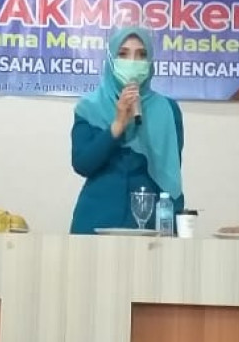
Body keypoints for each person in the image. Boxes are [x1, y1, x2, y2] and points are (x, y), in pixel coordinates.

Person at [70, 26, 185, 234]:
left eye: (141, 55)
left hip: (149, 224)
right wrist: (117, 125)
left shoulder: (168, 110)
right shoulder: (90, 107)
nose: (132, 62)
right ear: (111, 60)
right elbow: (82, 164)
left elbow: (171, 171)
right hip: (96, 219)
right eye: (123, 54)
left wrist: (175, 227)